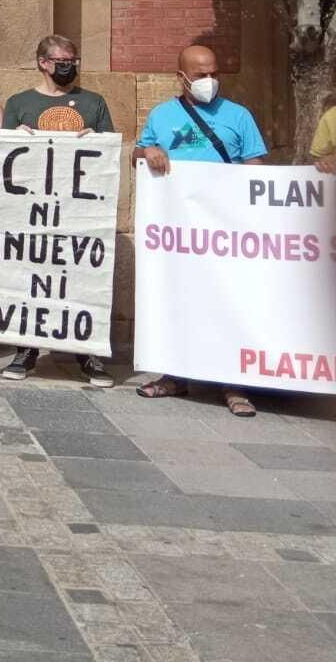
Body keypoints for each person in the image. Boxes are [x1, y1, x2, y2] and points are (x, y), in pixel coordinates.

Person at [134, 43, 268, 416]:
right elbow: (137, 153)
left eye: (214, 73)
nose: (209, 80)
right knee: (178, 301)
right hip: (178, 235)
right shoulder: (162, 115)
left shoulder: (238, 116)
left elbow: (255, 166)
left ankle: (233, 384)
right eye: (200, 75)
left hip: (226, 233)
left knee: (228, 302)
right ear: (181, 77)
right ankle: (174, 376)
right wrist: (147, 153)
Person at [0, 35, 116, 387]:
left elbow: (109, 151)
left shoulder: (93, 102)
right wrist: (16, 137)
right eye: (62, 60)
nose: (69, 66)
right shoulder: (20, 103)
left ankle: (88, 353)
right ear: (43, 63)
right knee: (30, 275)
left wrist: (93, 139)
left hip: (77, 211)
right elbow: (4, 160)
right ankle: (26, 348)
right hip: (33, 210)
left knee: (80, 278)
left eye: (73, 59)